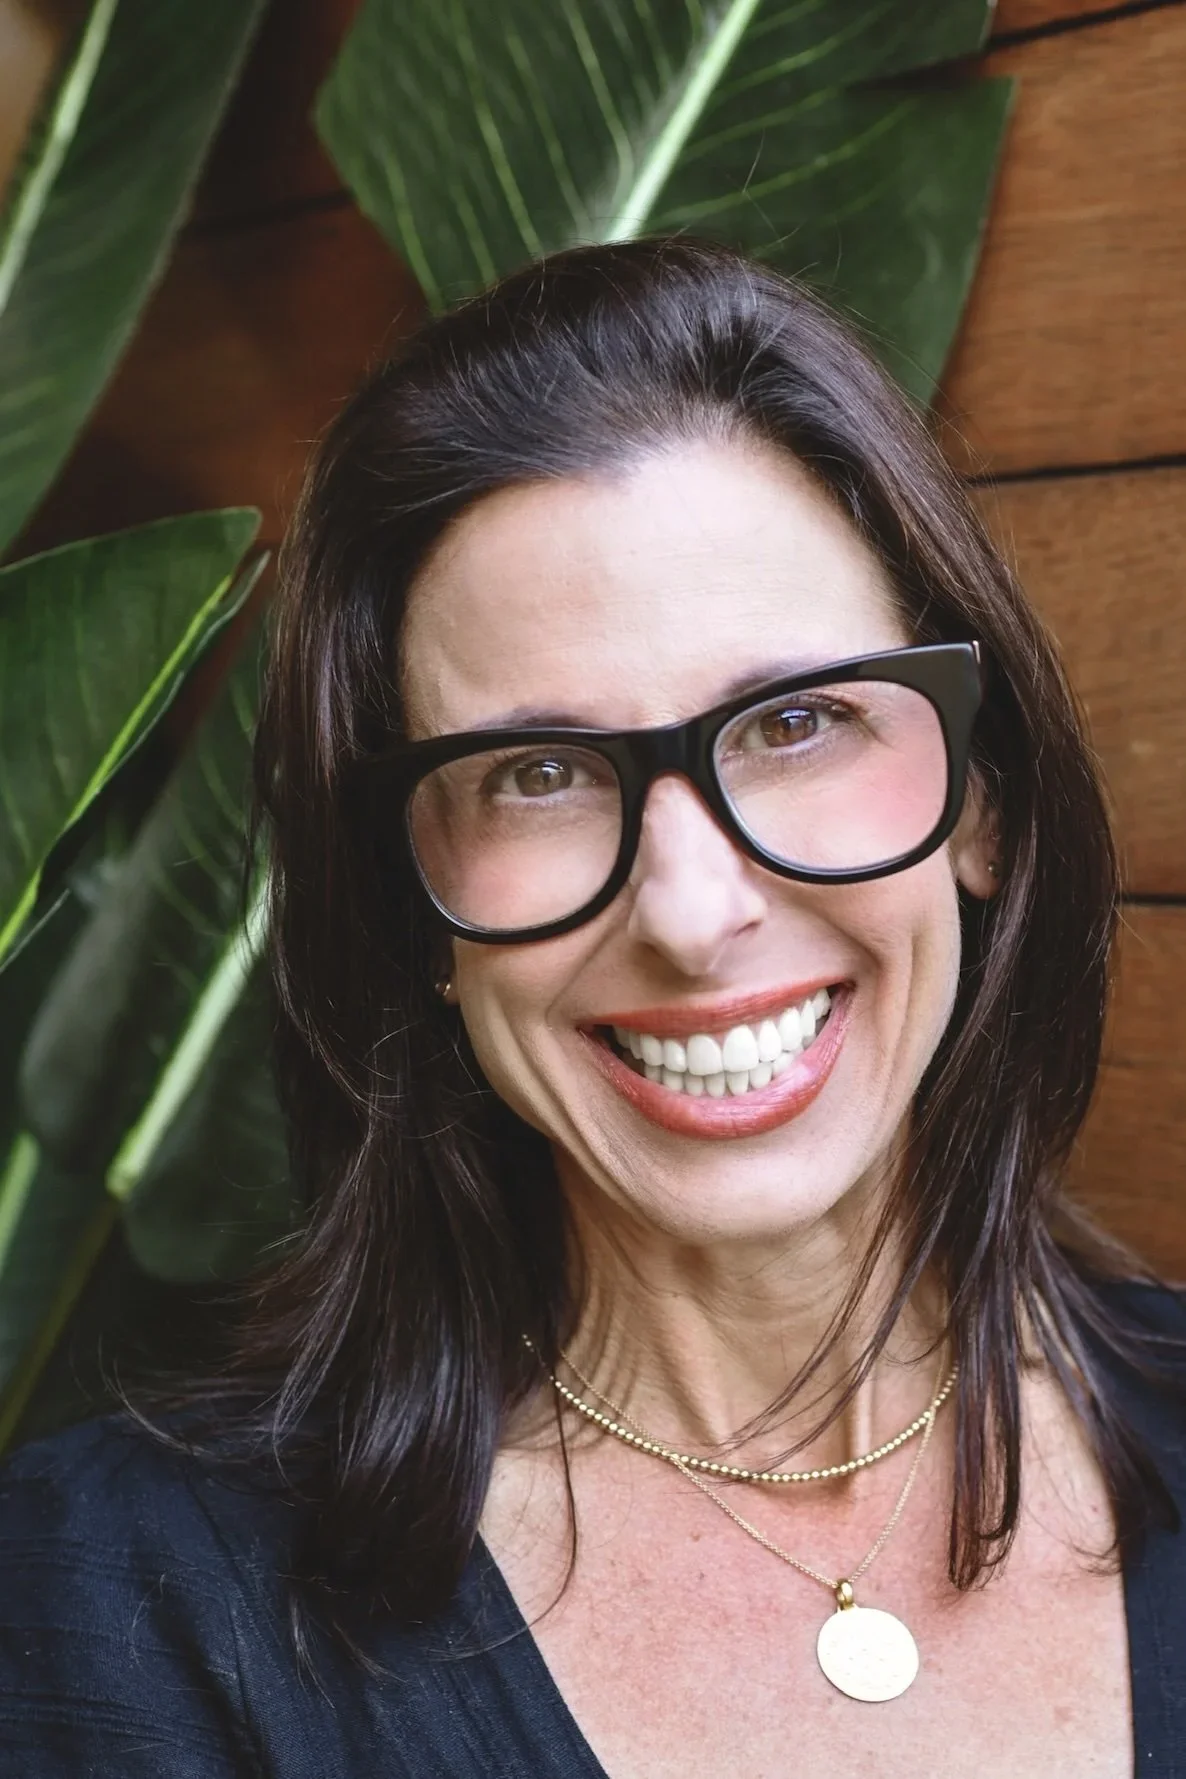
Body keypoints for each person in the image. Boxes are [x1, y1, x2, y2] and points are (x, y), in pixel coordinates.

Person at [0, 236, 1182, 1778]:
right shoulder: (112, 1612)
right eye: (537, 775)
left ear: (982, 802)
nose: (695, 916)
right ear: (412, 906)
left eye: (799, 720)